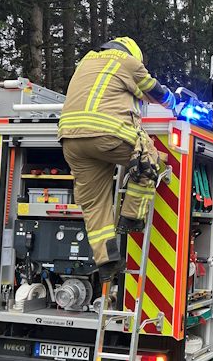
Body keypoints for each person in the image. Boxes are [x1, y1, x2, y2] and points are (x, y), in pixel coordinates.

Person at [58, 36, 176, 282]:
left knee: (93, 203)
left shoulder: (85, 63)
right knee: (148, 158)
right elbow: (155, 91)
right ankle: (131, 216)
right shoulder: (127, 62)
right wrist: (175, 103)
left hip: (71, 141)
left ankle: (107, 259)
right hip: (108, 136)